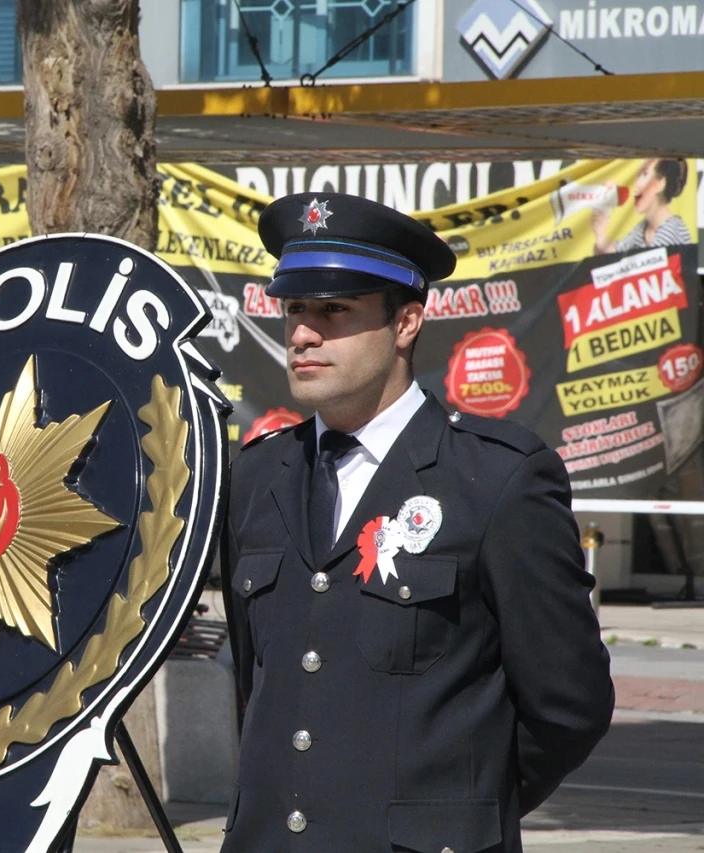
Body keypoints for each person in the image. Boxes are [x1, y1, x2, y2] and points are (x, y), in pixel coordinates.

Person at [221, 193, 613, 853]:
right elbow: (257, 682)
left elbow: (568, 703)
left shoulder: (497, 478)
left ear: (405, 322)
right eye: (294, 311)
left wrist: (457, 808)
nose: (303, 335)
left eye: (334, 311)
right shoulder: (257, 477)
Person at [593, 158, 691, 254]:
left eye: (644, 174)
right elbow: (616, 252)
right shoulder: (643, 228)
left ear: (660, 184)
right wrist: (600, 233)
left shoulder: (671, 232)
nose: (636, 183)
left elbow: (645, 263)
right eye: (638, 175)